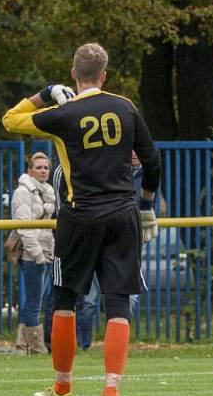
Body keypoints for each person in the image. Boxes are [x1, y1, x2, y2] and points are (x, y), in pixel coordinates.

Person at [3, 42, 161, 396]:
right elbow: (152, 161)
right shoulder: (126, 107)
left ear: (74, 74)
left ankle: (62, 388)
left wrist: (44, 94)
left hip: (80, 215)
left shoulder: (64, 112)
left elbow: (10, 119)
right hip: (123, 215)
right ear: (105, 75)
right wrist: (148, 206)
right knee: (118, 302)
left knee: (64, 301)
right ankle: (111, 392)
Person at [52, 150, 145, 350]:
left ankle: (75, 377)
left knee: (123, 300)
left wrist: (146, 209)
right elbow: (62, 211)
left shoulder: (122, 169)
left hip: (118, 240)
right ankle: (84, 347)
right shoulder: (65, 170)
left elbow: (152, 165)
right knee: (82, 300)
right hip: (83, 241)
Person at [11, 151, 55, 354]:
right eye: (38, 167)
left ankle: (22, 346)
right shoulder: (24, 191)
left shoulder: (47, 191)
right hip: (33, 253)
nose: (43, 171)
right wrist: (37, 254)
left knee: (33, 300)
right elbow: (23, 227)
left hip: (46, 250)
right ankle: (37, 347)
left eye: (46, 167)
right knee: (34, 302)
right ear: (30, 170)